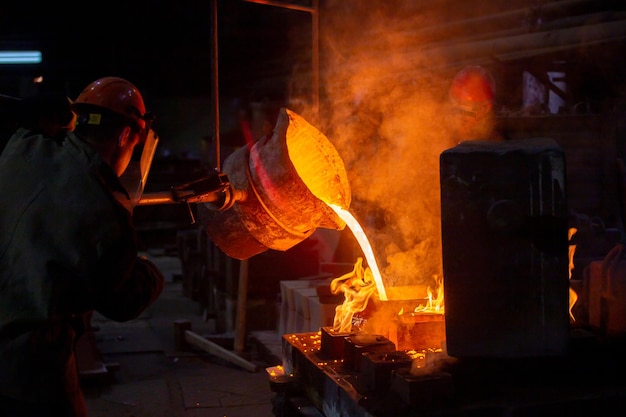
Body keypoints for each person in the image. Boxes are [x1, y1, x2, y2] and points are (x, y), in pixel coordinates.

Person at [0, 77, 165, 417]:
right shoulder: (106, 215)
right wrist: (151, 272)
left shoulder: (25, 145)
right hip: (30, 371)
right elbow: (122, 301)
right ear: (125, 136)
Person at [447, 65, 505, 143]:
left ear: (485, 108)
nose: (460, 116)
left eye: (467, 104)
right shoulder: (447, 139)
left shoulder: (495, 145)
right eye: (457, 104)